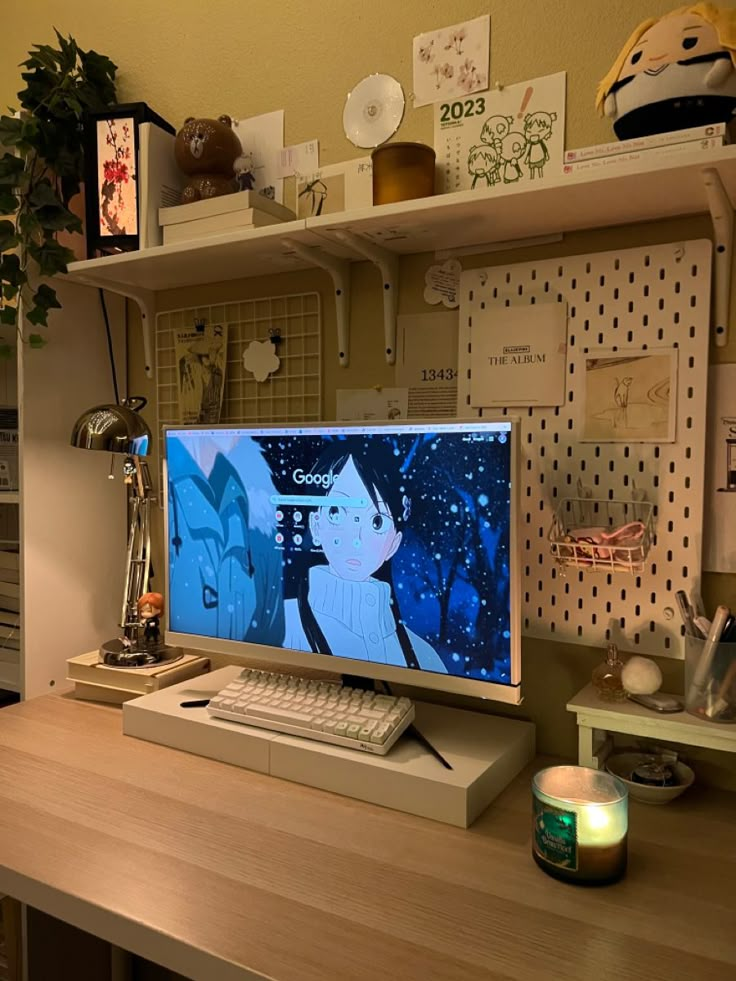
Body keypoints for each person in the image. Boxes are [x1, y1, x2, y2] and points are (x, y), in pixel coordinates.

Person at [284, 438, 447, 672]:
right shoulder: (283, 627)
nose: (356, 537)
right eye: (336, 512)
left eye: (377, 521)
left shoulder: (424, 657)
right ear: (316, 524)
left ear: (394, 543)